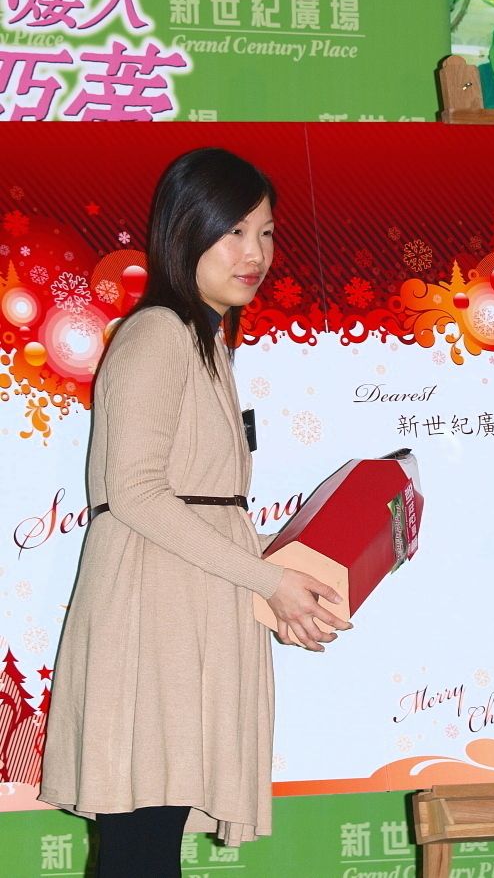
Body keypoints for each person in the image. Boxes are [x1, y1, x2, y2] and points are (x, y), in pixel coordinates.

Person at [39, 148, 350, 876]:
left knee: (150, 845)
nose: (255, 254)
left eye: (265, 233)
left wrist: (285, 573)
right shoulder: (158, 334)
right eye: (233, 231)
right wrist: (268, 581)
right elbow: (135, 491)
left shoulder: (203, 342)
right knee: (140, 848)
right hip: (154, 617)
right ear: (186, 231)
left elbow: (203, 506)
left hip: (186, 612)